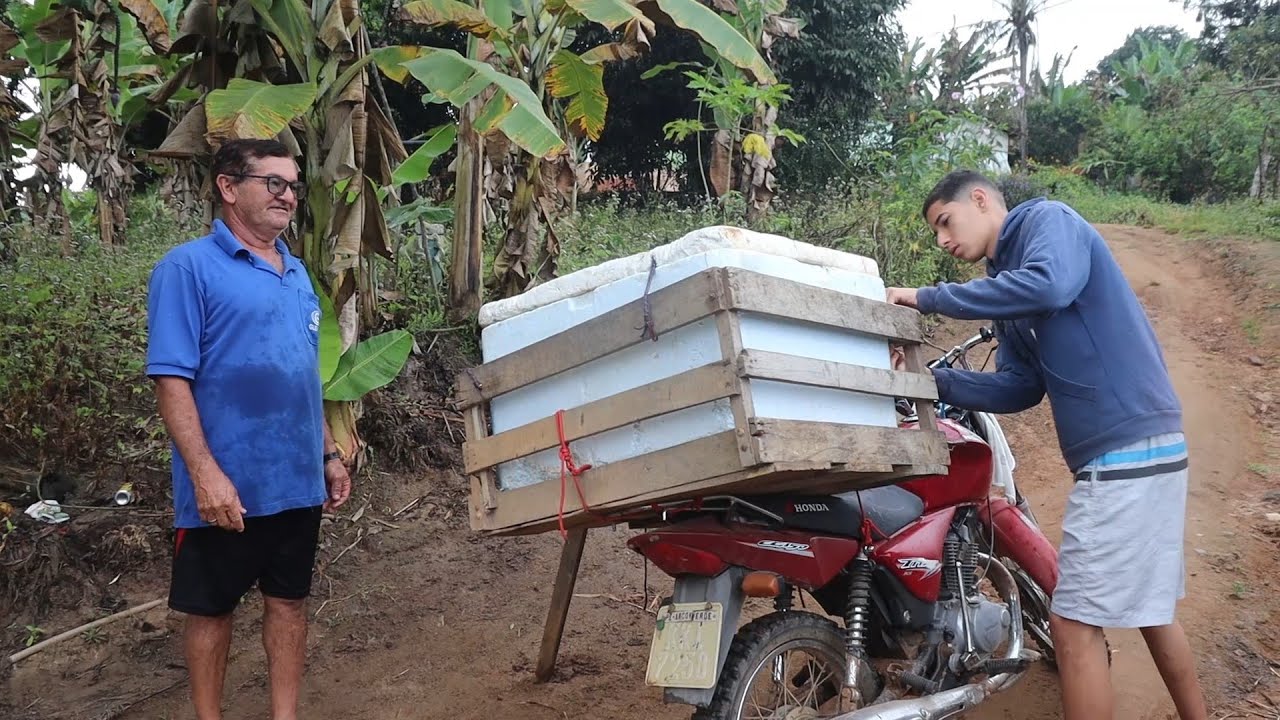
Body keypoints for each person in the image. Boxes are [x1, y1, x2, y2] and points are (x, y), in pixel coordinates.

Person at [885, 169, 1207, 720]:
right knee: (1152, 610)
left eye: (945, 222)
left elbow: (1052, 284)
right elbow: (1021, 387)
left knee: (1072, 623)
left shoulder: (1046, 223)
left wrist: (927, 298)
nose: (942, 240)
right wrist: (926, 382)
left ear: (981, 200)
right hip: (1142, 448)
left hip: (1123, 451)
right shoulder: (1006, 283)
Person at [146, 138, 352, 720]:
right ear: (229, 187)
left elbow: (303, 376)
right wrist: (206, 475)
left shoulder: (297, 273)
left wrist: (328, 455)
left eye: (293, 185)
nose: (287, 196)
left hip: (295, 481)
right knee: (210, 610)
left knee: (289, 604)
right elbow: (170, 379)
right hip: (227, 486)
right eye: (274, 183)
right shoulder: (189, 268)